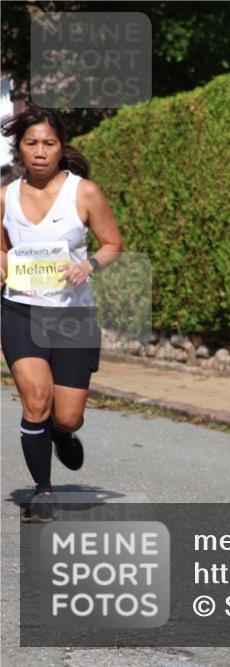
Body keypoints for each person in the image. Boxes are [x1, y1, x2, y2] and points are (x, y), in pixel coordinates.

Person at [1, 106, 123, 522]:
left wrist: (87, 266)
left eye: (48, 144)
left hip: (73, 315)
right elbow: (1, 247)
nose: (39, 152)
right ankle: (42, 491)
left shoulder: (83, 192)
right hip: (21, 309)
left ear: (60, 147)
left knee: (67, 414)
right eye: (31, 143)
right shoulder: (5, 196)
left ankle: (62, 432)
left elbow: (111, 244)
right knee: (35, 399)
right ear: (19, 148)